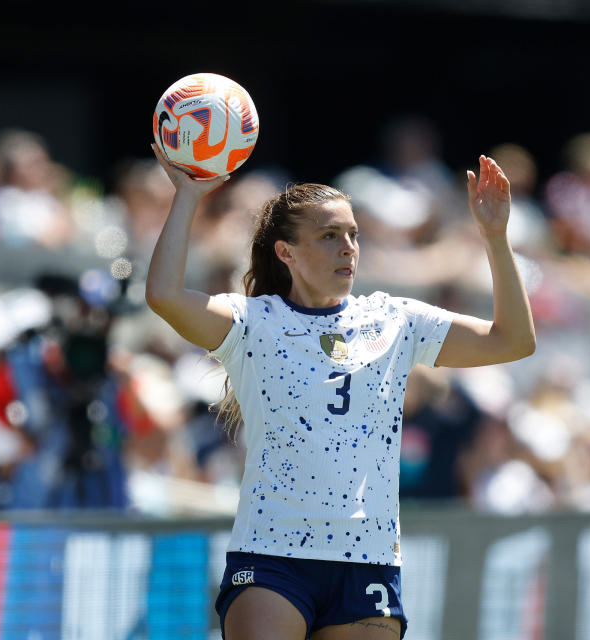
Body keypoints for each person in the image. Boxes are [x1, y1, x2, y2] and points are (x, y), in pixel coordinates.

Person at [146, 143, 536, 640]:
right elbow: (163, 294)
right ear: (285, 252)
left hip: (367, 561)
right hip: (272, 555)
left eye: (353, 235)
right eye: (330, 236)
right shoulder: (252, 322)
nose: (348, 247)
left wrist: (495, 237)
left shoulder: (396, 320)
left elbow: (514, 340)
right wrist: (187, 193)